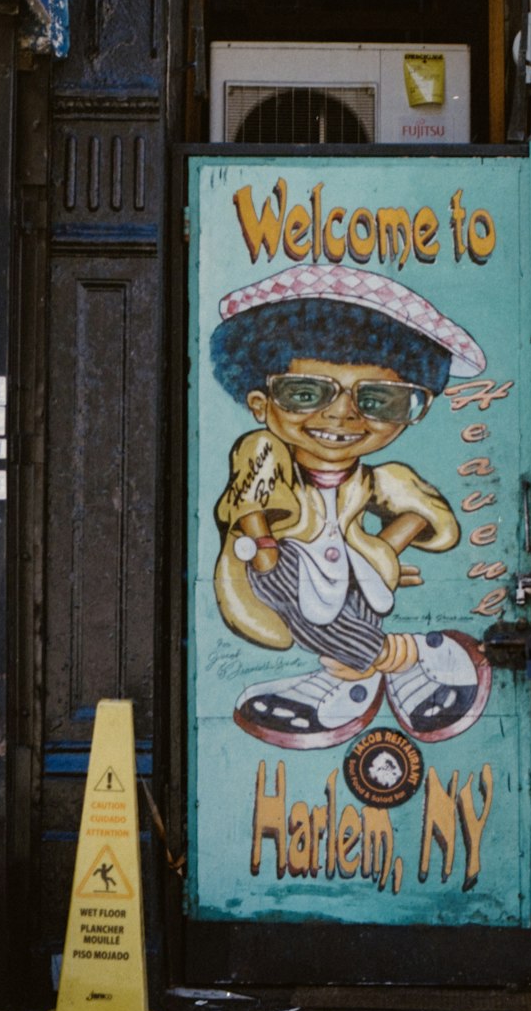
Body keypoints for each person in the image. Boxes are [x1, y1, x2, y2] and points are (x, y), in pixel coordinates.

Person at [210, 263, 492, 750]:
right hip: (276, 563)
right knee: (289, 588)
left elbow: (426, 517)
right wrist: (263, 548)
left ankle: (353, 679)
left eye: (379, 399)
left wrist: (383, 550)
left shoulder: (384, 480)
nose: (341, 415)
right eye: (305, 393)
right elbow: (251, 503)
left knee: (348, 600)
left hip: (354, 572)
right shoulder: (263, 453)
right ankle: (408, 659)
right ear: (260, 403)